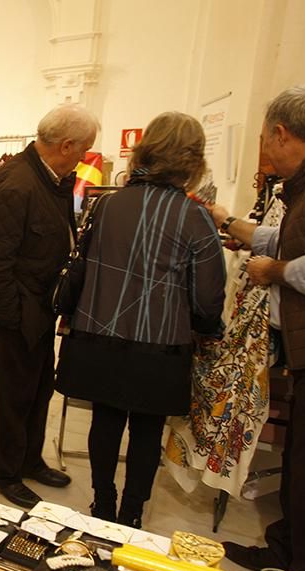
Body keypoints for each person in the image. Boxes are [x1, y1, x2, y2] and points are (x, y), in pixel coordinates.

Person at [54, 112, 226, 528]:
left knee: (105, 420)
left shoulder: (107, 204)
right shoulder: (195, 217)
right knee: (147, 431)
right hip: (160, 345)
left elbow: (84, 265)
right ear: (193, 158)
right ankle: (131, 515)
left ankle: (102, 503)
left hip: (98, 335)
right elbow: (207, 295)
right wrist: (207, 328)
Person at [212, 82, 305, 571]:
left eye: (265, 142)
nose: (267, 154)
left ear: (282, 133)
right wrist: (230, 222)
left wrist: (272, 271)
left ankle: (302, 569)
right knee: (302, 456)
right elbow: (283, 235)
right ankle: (287, 550)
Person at [0, 104, 100, 509]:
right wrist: (13, 320)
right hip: (17, 315)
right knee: (11, 395)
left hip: (40, 311)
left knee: (38, 390)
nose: (86, 156)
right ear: (66, 145)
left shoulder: (51, 180)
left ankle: (29, 460)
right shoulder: (16, 185)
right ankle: (3, 471)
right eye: (85, 149)